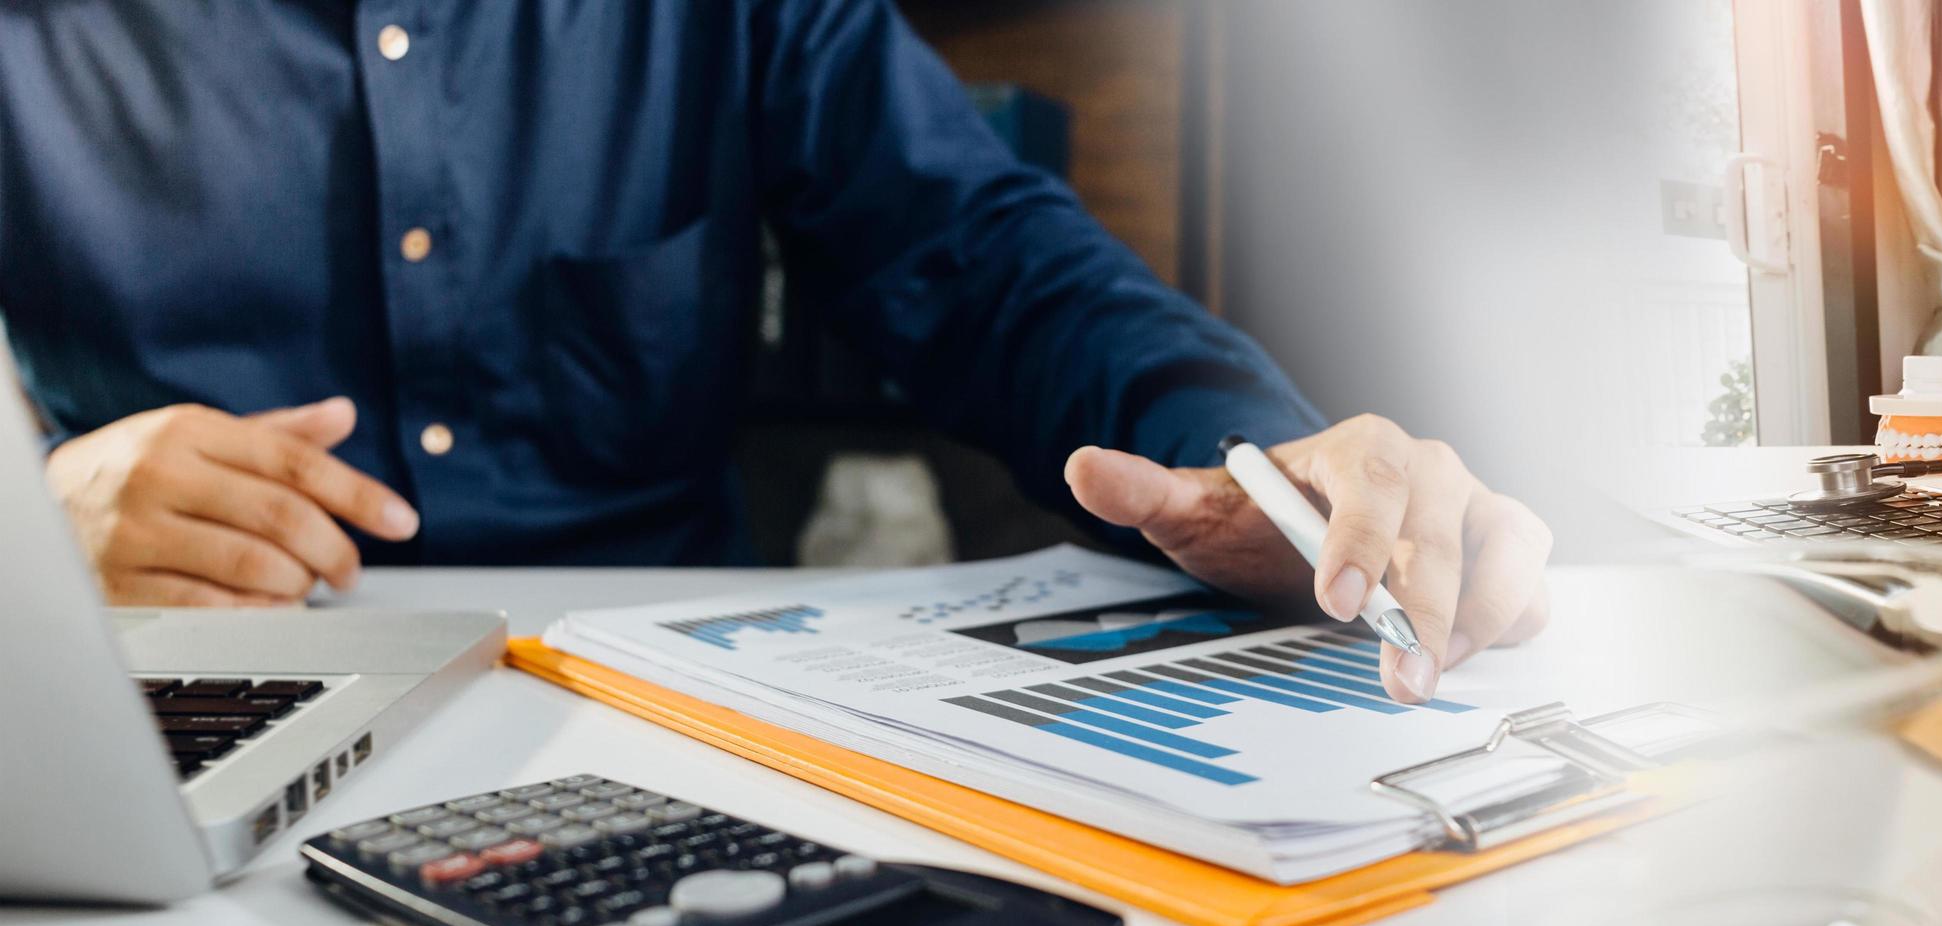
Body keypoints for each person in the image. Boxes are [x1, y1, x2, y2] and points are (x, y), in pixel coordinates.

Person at [0, 1, 1542, 703]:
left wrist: (1251, 461)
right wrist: (35, 519)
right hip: (170, 689)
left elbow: (990, 259)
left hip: (666, 705)